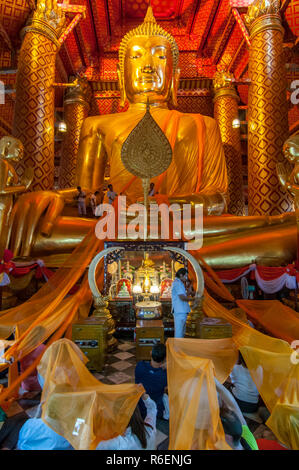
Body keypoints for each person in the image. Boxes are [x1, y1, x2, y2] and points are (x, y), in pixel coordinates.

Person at [135, 343, 168, 420]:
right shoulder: (165, 375)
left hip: (140, 409)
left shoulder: (140, 366)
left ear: (151, 353)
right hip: (156, 411)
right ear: (165, 358)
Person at [230, 353, 260, 419]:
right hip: (253, 405)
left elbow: (233, 381)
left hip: (238, 403)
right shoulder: (260, 368)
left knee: (229, 387)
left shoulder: (235, 367)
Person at [171, 268, 194, 338]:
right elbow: (182, 298)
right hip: (180, 311)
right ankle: (177, 348)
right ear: (181, 275)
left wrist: (189, 292)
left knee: (181, 332)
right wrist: (194, 299)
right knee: (179, 333)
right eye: (185, 276)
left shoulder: (179, 283)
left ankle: (179, 347)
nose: (186, 278)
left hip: (181, 311)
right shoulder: (177, 283)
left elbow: (183, 296)